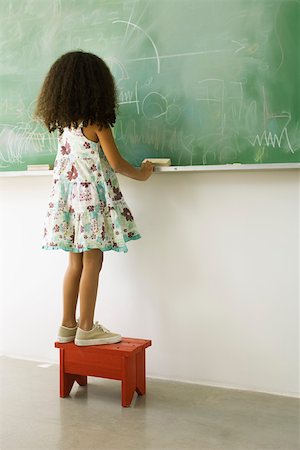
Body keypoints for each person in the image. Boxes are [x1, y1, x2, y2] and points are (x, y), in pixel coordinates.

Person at [35, 51, 153, 346]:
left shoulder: (65, 128)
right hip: (91, 207)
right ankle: (87, 328)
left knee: (74, 265)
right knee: (93, 263)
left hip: (70, 207)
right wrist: (143, 174)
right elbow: (116, 164)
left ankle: (67, 325)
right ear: (97, 86)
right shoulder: (97, 124)